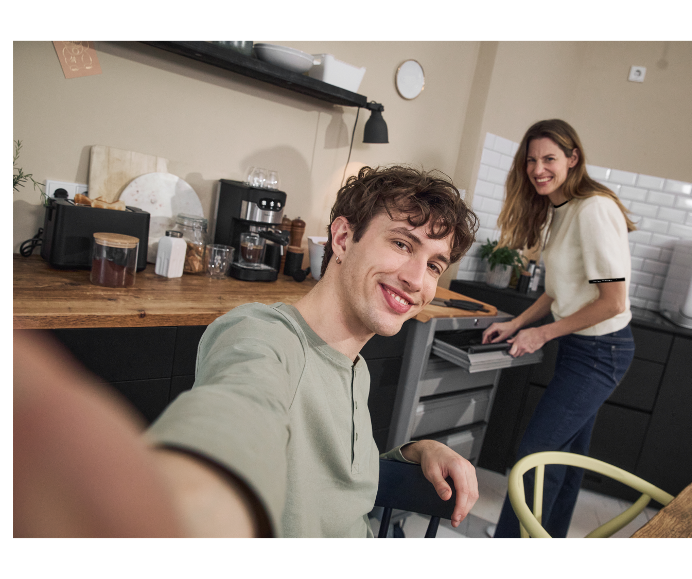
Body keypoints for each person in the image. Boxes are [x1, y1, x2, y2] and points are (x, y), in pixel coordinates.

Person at [13, 165, 481, 539]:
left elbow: (326, 481)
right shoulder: (263, 337)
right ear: (342, 238)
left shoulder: (353, 366)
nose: (418, 279)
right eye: (402, 243)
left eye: (434, 264)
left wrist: (416, 451)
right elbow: (239, 416)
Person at [482, 119, 637, 539]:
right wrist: (516, 323)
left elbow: (612, 302)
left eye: (549, 158)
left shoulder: (594, 209)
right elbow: (560, 291)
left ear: (573, 158)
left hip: (602, 352)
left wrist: (543, 334)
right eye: (531, 160)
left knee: (535, 457)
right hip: (580, 348)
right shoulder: (560, 209)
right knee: (564, 462)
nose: (538, 169)